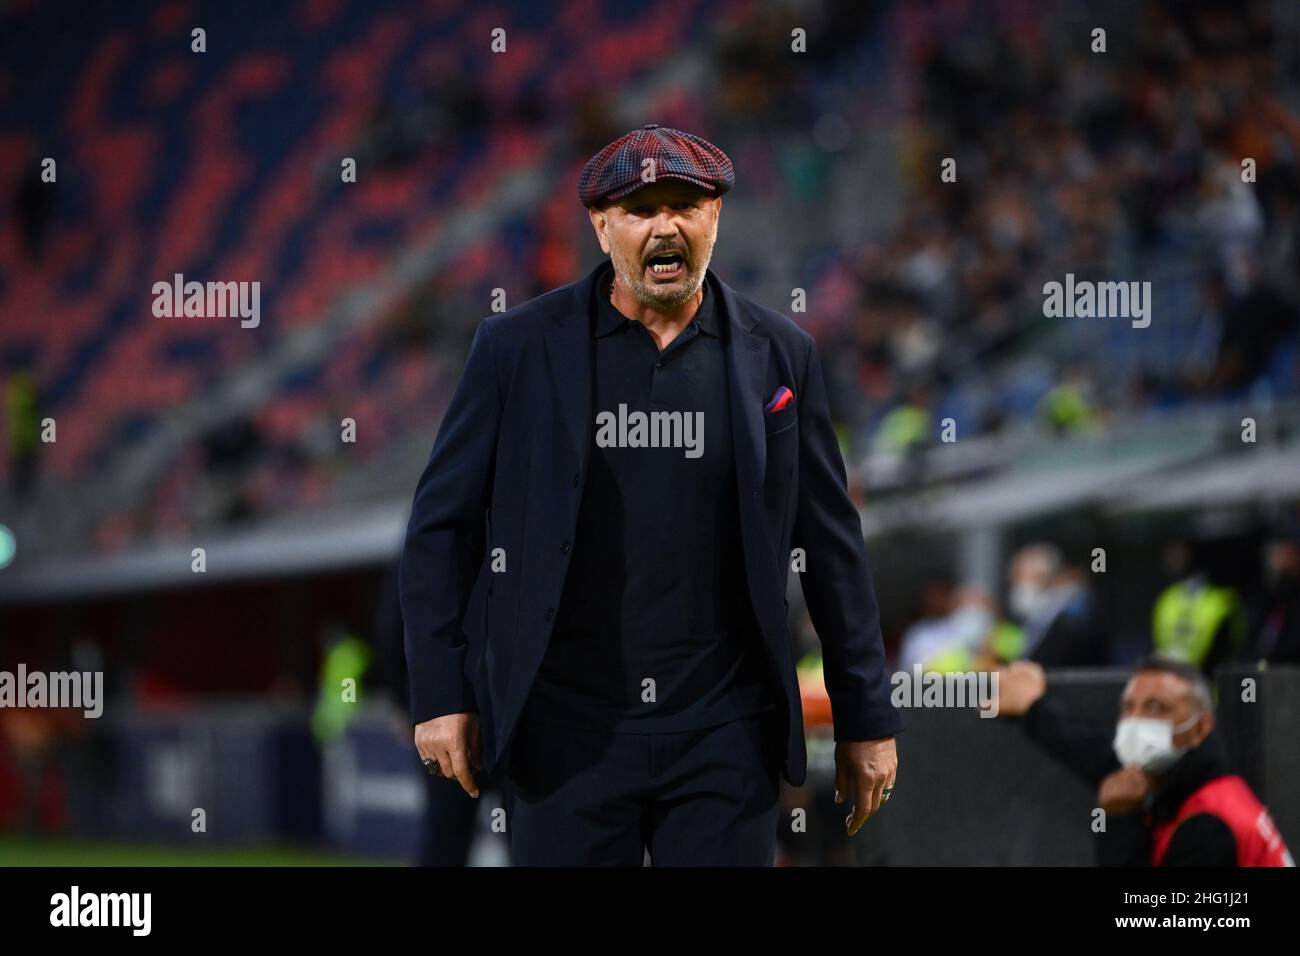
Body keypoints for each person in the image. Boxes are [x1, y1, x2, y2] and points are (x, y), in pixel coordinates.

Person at [399, 124, 900, 865]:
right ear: (602, 229)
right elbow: (442, 531)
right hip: (566, 732)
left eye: (684, 206)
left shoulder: (780, 353)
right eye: (638, 210)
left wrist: (867, 715)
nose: (664, 226)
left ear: (715, 219)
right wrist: (443, 693)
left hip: (727, 731)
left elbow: (829, 547)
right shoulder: (516, 349)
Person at [997, 657, 1293, 866]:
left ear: (1199, 728)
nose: (1137, 721)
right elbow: (1097, 755)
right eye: (1129, 707)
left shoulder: (1206, 827)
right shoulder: (1189, 783)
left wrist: (1120, 822)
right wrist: (1034, 710)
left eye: (1157, 708)